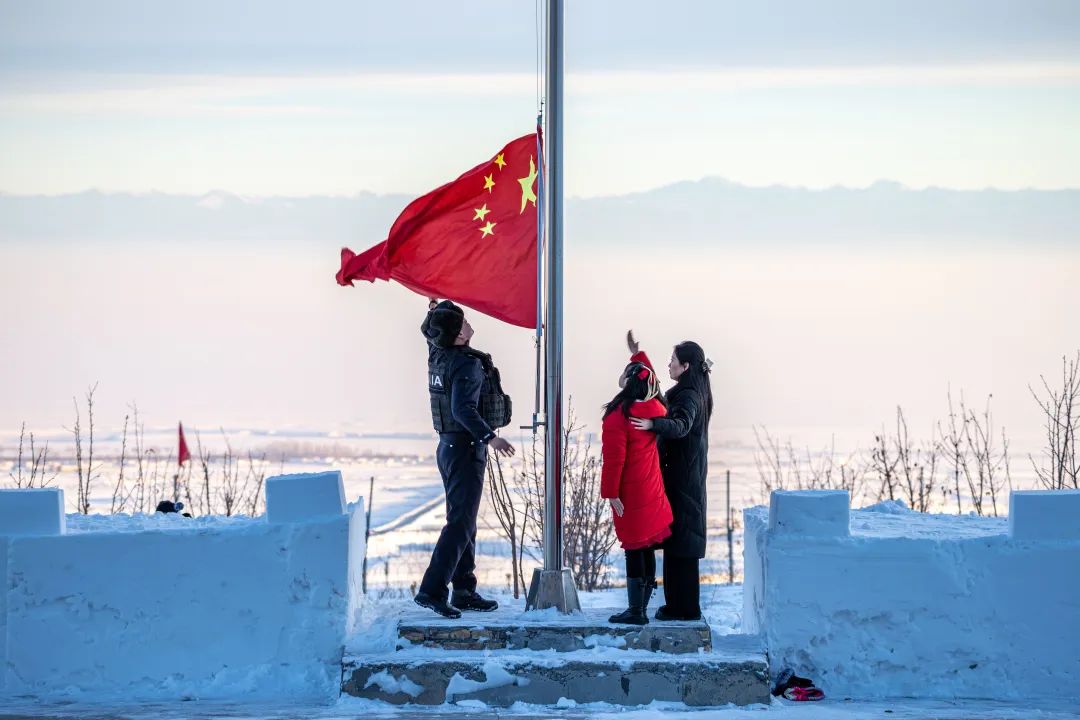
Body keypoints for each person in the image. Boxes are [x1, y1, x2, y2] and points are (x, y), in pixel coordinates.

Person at [414, 299, 516, 619]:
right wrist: (491, 436)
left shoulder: (438, 353)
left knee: (464, 519)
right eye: (462, 322)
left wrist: (434, 310)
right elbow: (463, 410)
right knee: (460, 523)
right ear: (458, 335)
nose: (468, 324)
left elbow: (429, 332)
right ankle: (433, 590)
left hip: (446, 448)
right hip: (466, 449)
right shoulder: (467, 364)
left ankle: (463, 589)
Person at [629, 333, 713, 621]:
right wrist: (638, 357)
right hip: (682, 479)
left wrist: (653, 424)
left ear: (686, 366)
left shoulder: (689, 396)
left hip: (682, 481)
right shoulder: (689, 392)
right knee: (678, 544)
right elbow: (658, 392)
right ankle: (678, 606)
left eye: (673, 361)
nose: (669, 365)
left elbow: (681, 426)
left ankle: (685, 608)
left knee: (682, 546)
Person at [600, 346, 673, 625]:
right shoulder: (655, 408)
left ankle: (635, 611)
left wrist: (610, 493)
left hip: (631, 490)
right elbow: (649, 376)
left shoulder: (619, 415)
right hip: (652, 487)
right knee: (647, 544)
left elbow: (614, 459)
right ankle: (642, 604)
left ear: (629, 381)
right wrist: (637, 354)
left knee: (633, 546)